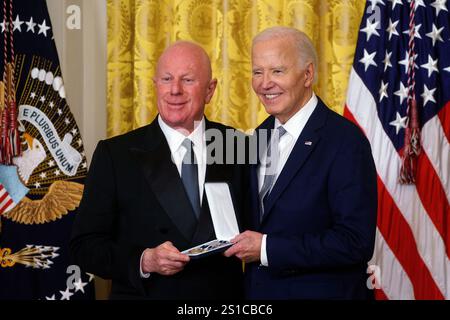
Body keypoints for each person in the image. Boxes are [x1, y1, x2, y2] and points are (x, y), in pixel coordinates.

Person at [70, 41, 246, 299]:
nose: (175, 90)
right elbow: (84, 246)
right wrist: (144, 260)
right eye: (166, 79)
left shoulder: (238, 146)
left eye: (187, 80)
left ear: (210, 90)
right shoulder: (115, 155)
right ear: (155, 85)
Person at [225, 26, 377, 299]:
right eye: (257, 72)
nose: (264, 83)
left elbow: (355, 242)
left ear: (308, 74)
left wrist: (266, 248)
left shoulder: (345, 141)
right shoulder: (256, 137)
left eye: (277, 71)